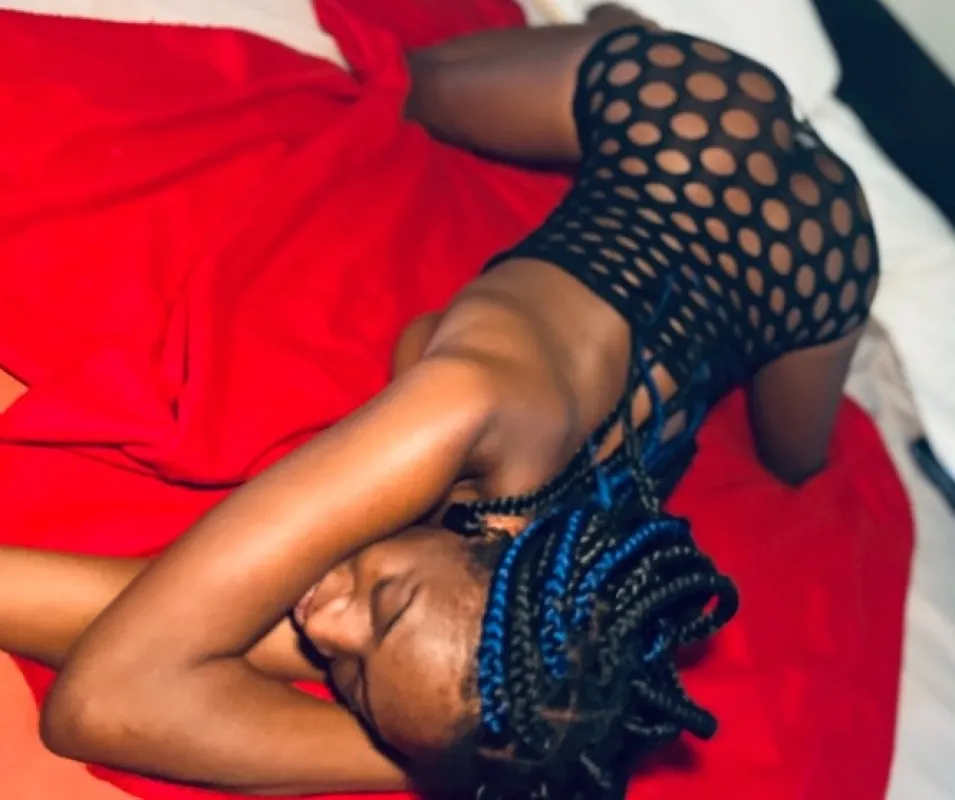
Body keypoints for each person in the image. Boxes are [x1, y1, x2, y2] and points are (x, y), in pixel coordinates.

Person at [1, 5, 878, 799]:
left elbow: (179, 660)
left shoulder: (523, 602)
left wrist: (451, 723)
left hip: (824, 269)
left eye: (354, 684)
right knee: (411, 88)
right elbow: (107, 704)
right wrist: (440, 768)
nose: (326, 627)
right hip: (681, 106)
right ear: (489, 548)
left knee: (796, 461)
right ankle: (623, 27)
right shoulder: (461, 409)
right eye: (386, 606)